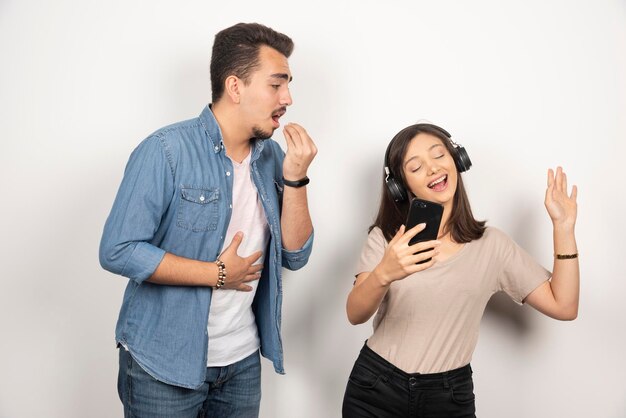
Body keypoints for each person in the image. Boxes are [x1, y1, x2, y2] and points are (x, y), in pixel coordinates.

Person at [99, 22, 316, 417]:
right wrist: (217, 273)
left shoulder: (272, 159)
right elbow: (118, 250)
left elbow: (295, 255)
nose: (288, 97)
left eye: (288, 84)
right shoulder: (165, 150)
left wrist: (297, 177)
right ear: (235, 87)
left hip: (241, 363)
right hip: (162, 365)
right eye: (276, 84)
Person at [342, 123, 579, 417]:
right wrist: (385, 272)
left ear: (457, 160)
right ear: (401, 186)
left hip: (448, 397)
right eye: (416, 167)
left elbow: (564, 305)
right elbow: (355, 314)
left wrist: (563, 228)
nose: (432, 169)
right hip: (376, 388)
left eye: (438, 155)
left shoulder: (493, 245)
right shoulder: (387, 239)